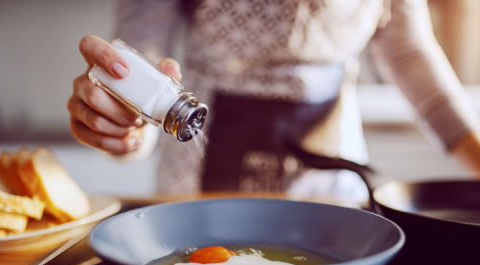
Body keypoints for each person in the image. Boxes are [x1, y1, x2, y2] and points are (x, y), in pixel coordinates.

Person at [67, 0, 480, 206]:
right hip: (197, 180)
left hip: (332, 186)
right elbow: (142, 56)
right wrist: (123, 125)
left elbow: (407, 48)